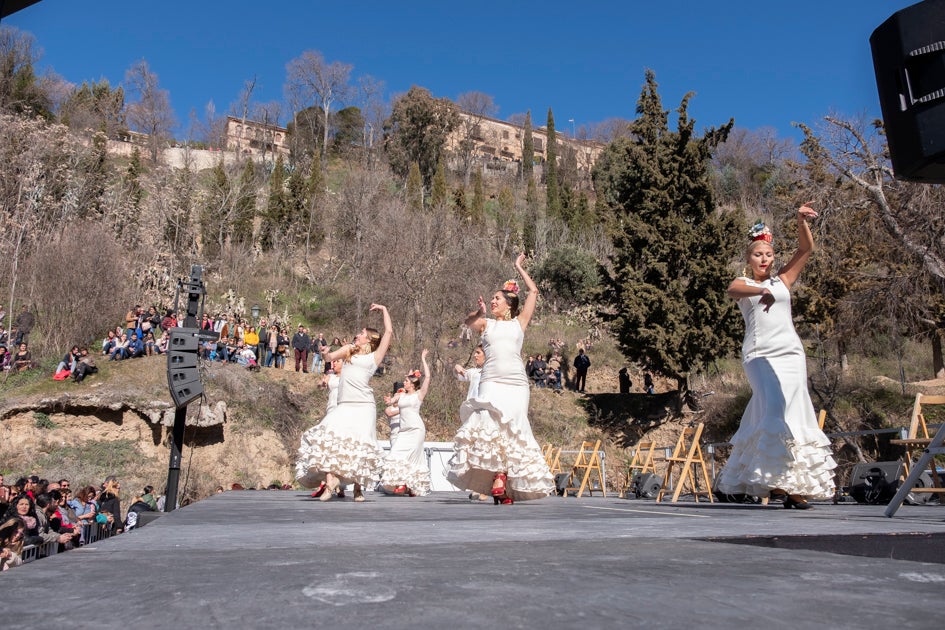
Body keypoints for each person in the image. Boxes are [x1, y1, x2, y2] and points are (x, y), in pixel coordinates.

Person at [716, 204, 837, 509]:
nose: (764, 259)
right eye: (758, 254)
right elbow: (732, 289)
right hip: (759, 354)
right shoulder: (747, 285)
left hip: (791, 354)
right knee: (773, 406)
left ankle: (789, 487)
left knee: (794, 413)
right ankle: (775, 478)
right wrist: (759, 292)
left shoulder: (782, 280)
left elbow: (806, 248)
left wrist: (800, 222)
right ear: (749, 257)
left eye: (768, 255)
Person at [447, 254, 555, 505]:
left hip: (517, 384)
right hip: (491, 381)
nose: (493, 300)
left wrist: (519, 267)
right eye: (492, 299)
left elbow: (534, 290)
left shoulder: (520, 322)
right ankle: (498, 477)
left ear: (508, 303)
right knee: (490, 426)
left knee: (513, 430)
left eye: (497, 298)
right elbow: (468, 321)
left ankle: (503, 482)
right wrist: (479, 311)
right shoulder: (486, 325)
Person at [295, 304, 392, 502]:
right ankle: (331, 482)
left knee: (360, 445)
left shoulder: (374, 357)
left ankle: (358, 488)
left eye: (362, 333)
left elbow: (389, 331)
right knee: (329, 437)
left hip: (364, 406)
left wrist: (383, 310)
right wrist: (324, 352)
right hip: (344, 405)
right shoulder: (348, 350)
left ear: (369, 339)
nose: (358, 335)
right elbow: (329, 357)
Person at [380, 350, 433, 497]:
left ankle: (407, 484)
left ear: (413, 384)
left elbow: (427, 377)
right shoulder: (401, 395)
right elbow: (391, 402)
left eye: (407, 381)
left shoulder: (419, 395)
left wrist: (423, 358)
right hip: (404, 431)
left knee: (412, 456)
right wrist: (388, 400)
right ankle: (404, 483)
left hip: (416, 429)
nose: (404, 382)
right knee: (396, 453)